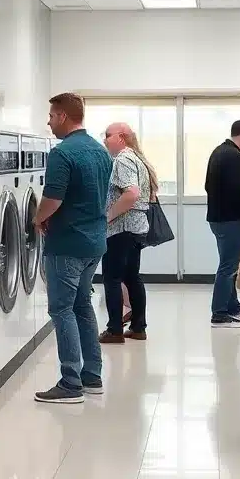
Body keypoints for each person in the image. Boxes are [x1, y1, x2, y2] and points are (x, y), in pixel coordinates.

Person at [34, 92, 112, 405]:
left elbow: (53, 199)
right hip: (94, 242)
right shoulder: (100, 151)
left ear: (63, 116)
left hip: (67, 243)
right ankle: (92, 375)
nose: (49, 122)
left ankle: (70, 382)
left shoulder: (62, 153)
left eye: (51, 116)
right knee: (81, 305)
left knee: (62, 309)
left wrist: (37, 219)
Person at [100, 122, 157, 343]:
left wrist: (108, 217)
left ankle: (114, 330)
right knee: (132, 277)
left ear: (121, 137)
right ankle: (138, 327)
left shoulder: (123, 159)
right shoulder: (137, 159)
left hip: (121, 228)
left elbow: (131, 193)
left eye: (108, 135)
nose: (104, 140)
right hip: (136, 228)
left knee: (112, 278)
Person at [205, 119, 240, 328]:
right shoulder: (234, 156)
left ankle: (233, 307)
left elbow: (210, 186)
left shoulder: (219, 152)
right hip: (231, 219)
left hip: (218, 218)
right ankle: (219, 313)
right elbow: (238, 190)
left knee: (230, 265)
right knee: (228, 267)